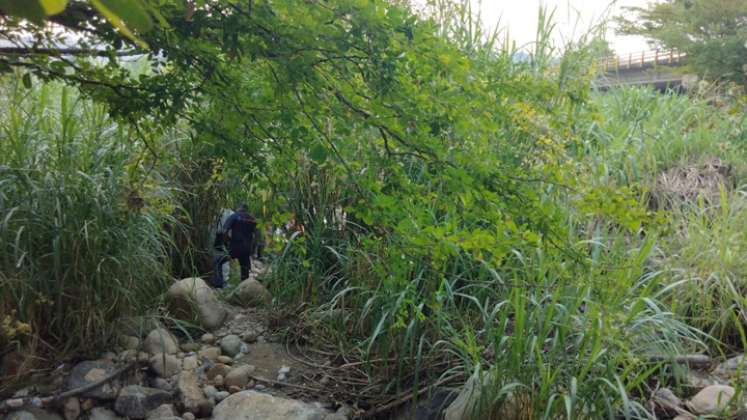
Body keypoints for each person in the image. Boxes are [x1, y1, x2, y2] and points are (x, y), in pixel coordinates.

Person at [224, 203, 256, 280]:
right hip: (246, 247)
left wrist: (226, 241)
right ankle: (244, 284)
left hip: (235, 245)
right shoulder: (252, 218)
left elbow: (225, 230)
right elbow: (257, 235)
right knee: (245, 267)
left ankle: (220, 282)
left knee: (220, 261)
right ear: (246, 209)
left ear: (239, 208)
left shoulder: (234, 216)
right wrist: (253, 247)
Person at [210, 208, 233, 288]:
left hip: (216, 240)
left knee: (217, 263)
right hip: (223, 242)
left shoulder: (214, 211)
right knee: (222, 262)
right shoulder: (229, 213)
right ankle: (222, 283)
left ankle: (217, 283)